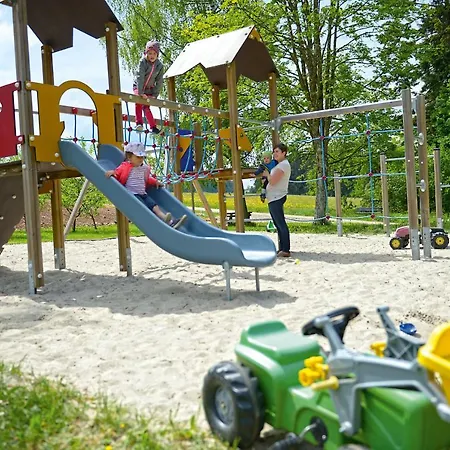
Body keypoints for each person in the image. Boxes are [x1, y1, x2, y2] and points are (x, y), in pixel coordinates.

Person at [105, 142, 187, 230]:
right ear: (129, 157)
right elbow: (117, 173)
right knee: (144, 207)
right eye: (138, 157)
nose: (141, 159)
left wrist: (155, 182)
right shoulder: (125, 166)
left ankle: (169, 221)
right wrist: (113, 172)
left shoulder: (144, 168)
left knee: (155, 206)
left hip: (143, 193)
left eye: (142, 157)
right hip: (132, 195)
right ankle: (163, 222)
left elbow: (147, 179)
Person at [263, 143, 291, 257]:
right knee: (278, 224)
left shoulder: (283, 165)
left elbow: (273, 181)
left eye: (277, 152)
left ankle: (286, 249)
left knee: (280, 223)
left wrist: (267, 174)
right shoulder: (280, 165)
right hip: (274, 197)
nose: (275, 154)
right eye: (274, 152)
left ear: (284, 153)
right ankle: (283, 248)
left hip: (277, 197)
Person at [133, 40, 164, 134]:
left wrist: (155, 94)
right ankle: (139, 123)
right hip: (138, 86)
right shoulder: (143, 62)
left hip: (149, 89)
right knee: (139, 102)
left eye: (154, 54)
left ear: (157, 54)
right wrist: (140, 92)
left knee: (146, 107)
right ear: (146, 53)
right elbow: (140, 77)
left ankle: (153, 127)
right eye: (150, 53)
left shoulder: (159, 66)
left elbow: (159, 81)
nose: (152, 56)